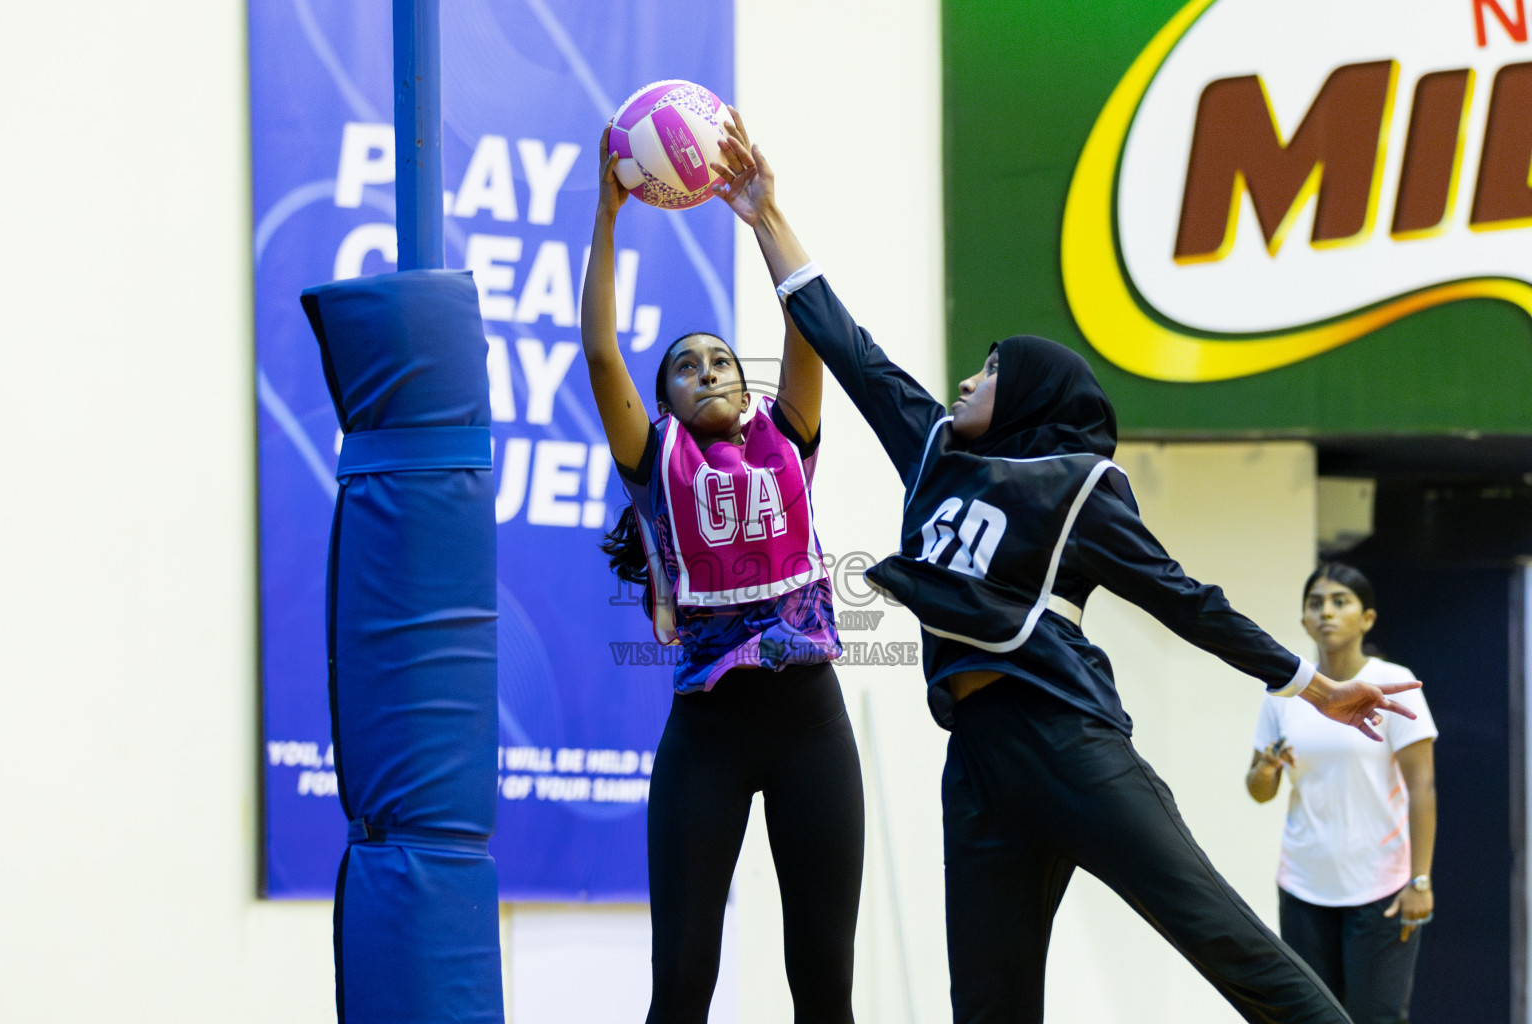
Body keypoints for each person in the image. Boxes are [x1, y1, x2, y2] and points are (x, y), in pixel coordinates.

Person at [706, 112, 1421, 1023]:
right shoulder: (932, 448)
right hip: (975, 764)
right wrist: (766, 215)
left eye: (991, 369)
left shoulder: (1079, 487)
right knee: (990, 1009)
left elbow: (1182, 600)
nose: (967, 380)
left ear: (1033, 398)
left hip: (1069, 739)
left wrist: (1308, 684)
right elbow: (848, 347)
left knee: (1224, 940)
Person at [582, 119, 862, 1024]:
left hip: (812, 724)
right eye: (684, 369)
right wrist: (607, 215)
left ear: (747, 384)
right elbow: (599, 354)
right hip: (706, 737)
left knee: (823, 980)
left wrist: (764, 213)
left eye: (720, 361)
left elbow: (806, 323)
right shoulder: (655, 460)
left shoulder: (789, 435)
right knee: (684, 985)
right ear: (661, 402)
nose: (706, 372)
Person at [1247, 563, 1438, 1024]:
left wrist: (1420, 880)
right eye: (1316, 604)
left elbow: (1421, 787)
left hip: (1382, 889)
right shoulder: (1285, 692)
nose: (1326, 613)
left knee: (1375, 1017)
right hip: (1304, 888)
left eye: (1340, 602)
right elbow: (1258, 789)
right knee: (1309, 1016)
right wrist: (1268, 769)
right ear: (1303, 621)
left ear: (1367, 618)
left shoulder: (1395, 683)